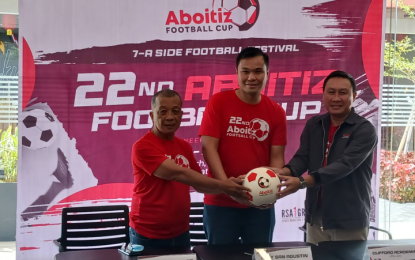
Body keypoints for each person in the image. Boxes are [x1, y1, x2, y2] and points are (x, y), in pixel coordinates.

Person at [129, 89, 250, 247]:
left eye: (175, 111)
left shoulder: (184, 146)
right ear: (152, 115)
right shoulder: (143, 146)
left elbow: (199, 185)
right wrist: (224, 185)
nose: (170, 117)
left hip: (181, 232)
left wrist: (229, 185)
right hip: (148, 235)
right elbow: (177, 173)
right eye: (163, 112)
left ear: (181, 115)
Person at [275, 70, 377, 244]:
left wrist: (301, 182)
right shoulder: (314, 124)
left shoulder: (364, 129)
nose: (336, 98)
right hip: (316, 217)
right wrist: (283, 172)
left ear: (354, 95)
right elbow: (302, 157)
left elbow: (345, 165)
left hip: (349, 219)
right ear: (323, 95)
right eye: (331, 92)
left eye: (343, 93)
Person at [199, 47, 287, 245]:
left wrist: (270, 190)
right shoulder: (218, 102)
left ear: (267, 73)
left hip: (260, 205)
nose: (251, 77)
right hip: (220, 203)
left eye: (258, 71)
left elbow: (277, 158)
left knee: (260, 256)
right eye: (245, 71)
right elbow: (208, 148)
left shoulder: (276, 112)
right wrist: (227, 187)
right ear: (237, 73)